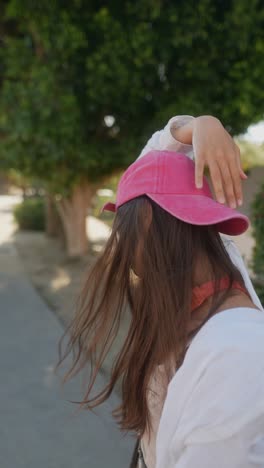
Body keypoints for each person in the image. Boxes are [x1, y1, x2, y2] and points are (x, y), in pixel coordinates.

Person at [55, 115, 264, 468]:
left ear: (148, 222)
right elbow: (149, 168)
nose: (123, 248)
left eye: (124, 232)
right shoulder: (204, 283)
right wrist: (198, 125)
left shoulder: (236, 354)